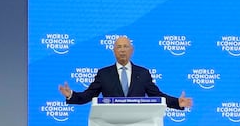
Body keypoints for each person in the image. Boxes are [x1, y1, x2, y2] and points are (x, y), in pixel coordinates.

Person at [58, 35, 193, 110]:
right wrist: (71, 95)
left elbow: (157, 95)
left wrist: (177, 102)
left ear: (132, 50)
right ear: (114, 51)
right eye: (119, 47)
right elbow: (88, 96)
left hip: (138, 125)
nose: (122, 50)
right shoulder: (103, 74)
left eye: (126, 47)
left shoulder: (143, 73)